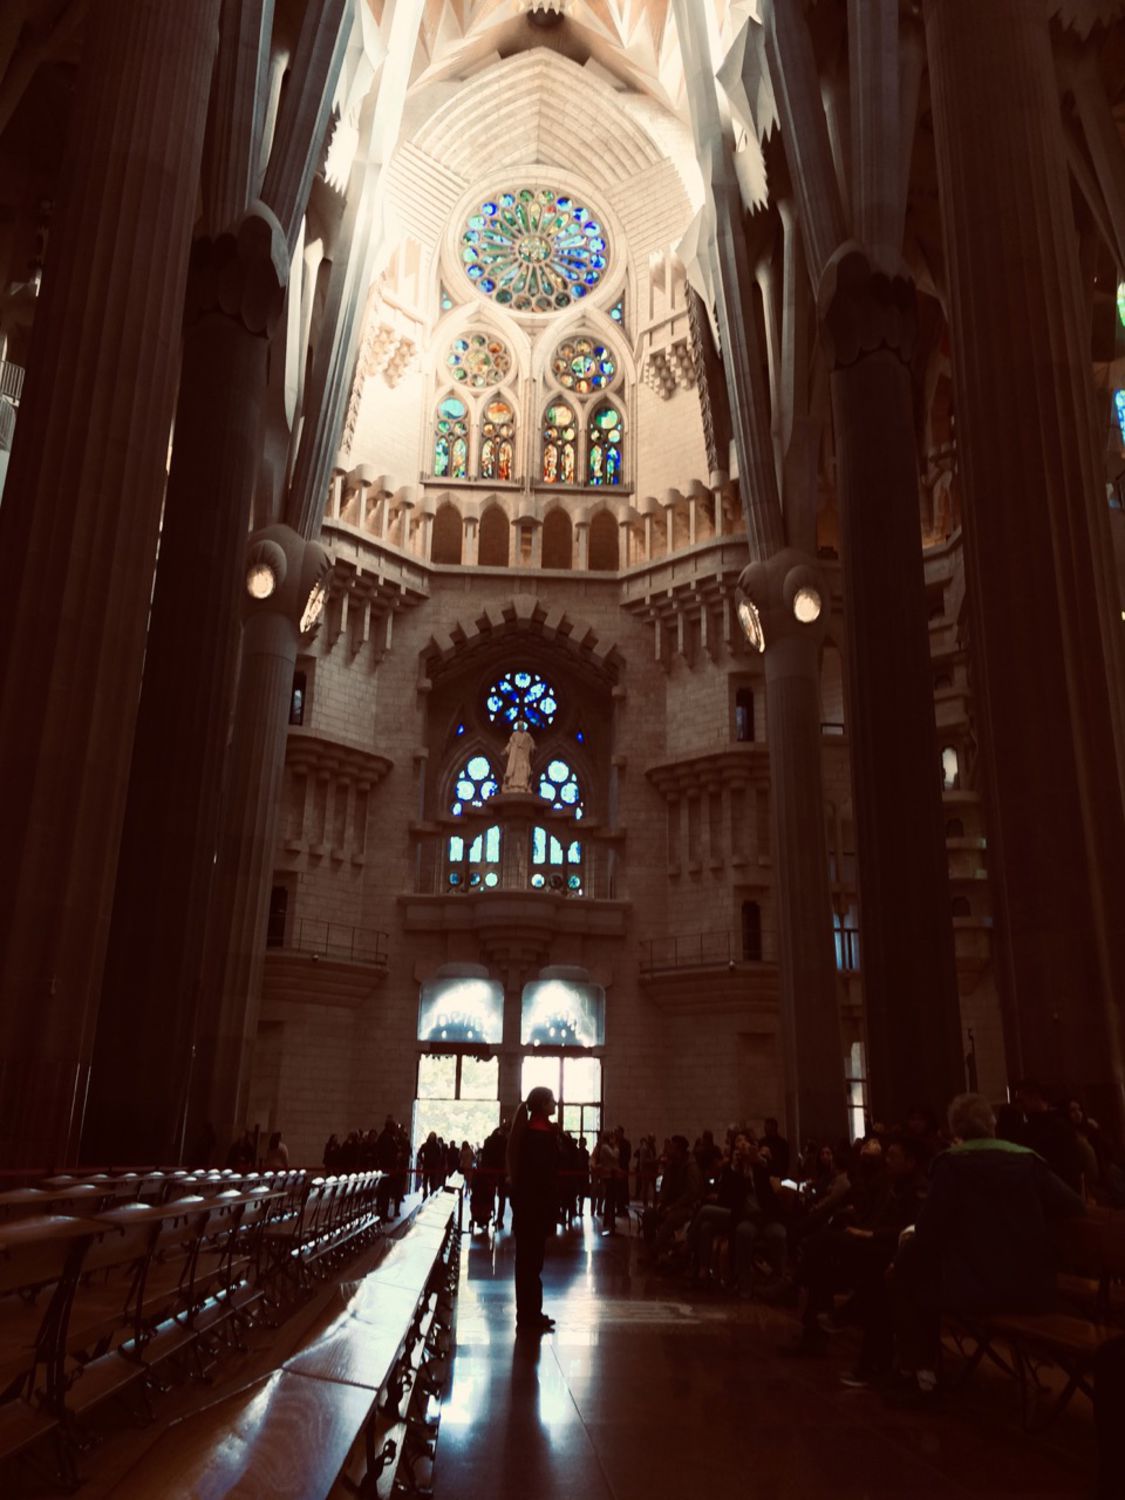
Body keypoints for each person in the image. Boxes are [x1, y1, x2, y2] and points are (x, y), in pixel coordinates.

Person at [891, 1092, 1085, 1402]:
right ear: (992, 1124)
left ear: (956, 1129)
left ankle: (919, 1372)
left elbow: (928, 1231)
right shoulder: (1026, 1160)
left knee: (908, 1275)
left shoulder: (952, 1164)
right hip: (1031, 1286)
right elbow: (1073, 1204)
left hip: (973, 1287)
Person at [507, 1086, 560, 1335]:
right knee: (531, 1263)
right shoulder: (539, 1135)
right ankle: (529, 1313)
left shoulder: (533, 1132)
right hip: (535, 1209)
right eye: (551, 1100)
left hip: (528, 1208)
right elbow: (544, 1177)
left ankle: (529, 1312)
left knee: (528, 1263)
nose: (555, 1103)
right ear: (542, 1104)